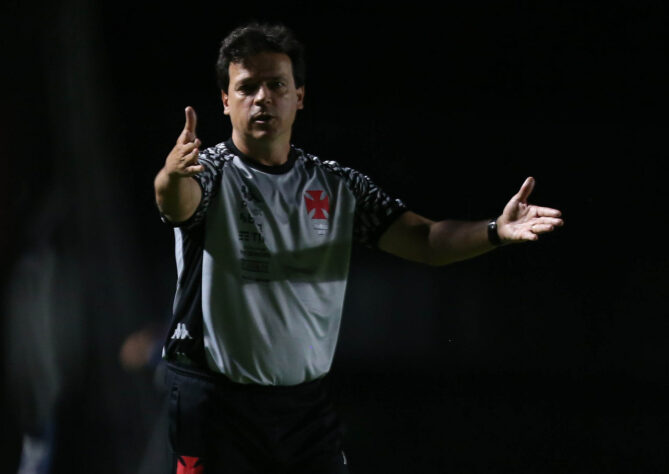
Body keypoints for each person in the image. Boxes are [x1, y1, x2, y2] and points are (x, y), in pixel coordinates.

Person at [153, 22, 563, 474]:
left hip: (302, 409)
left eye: (276, 85)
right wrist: (172, 176)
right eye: (247, 87)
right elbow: (177, 202)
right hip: (214, 403)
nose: (263, 98)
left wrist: (493, 230)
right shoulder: (208, 173)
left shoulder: (337, 186)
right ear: (226, 102)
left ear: (299, 96)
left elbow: (424, 239)